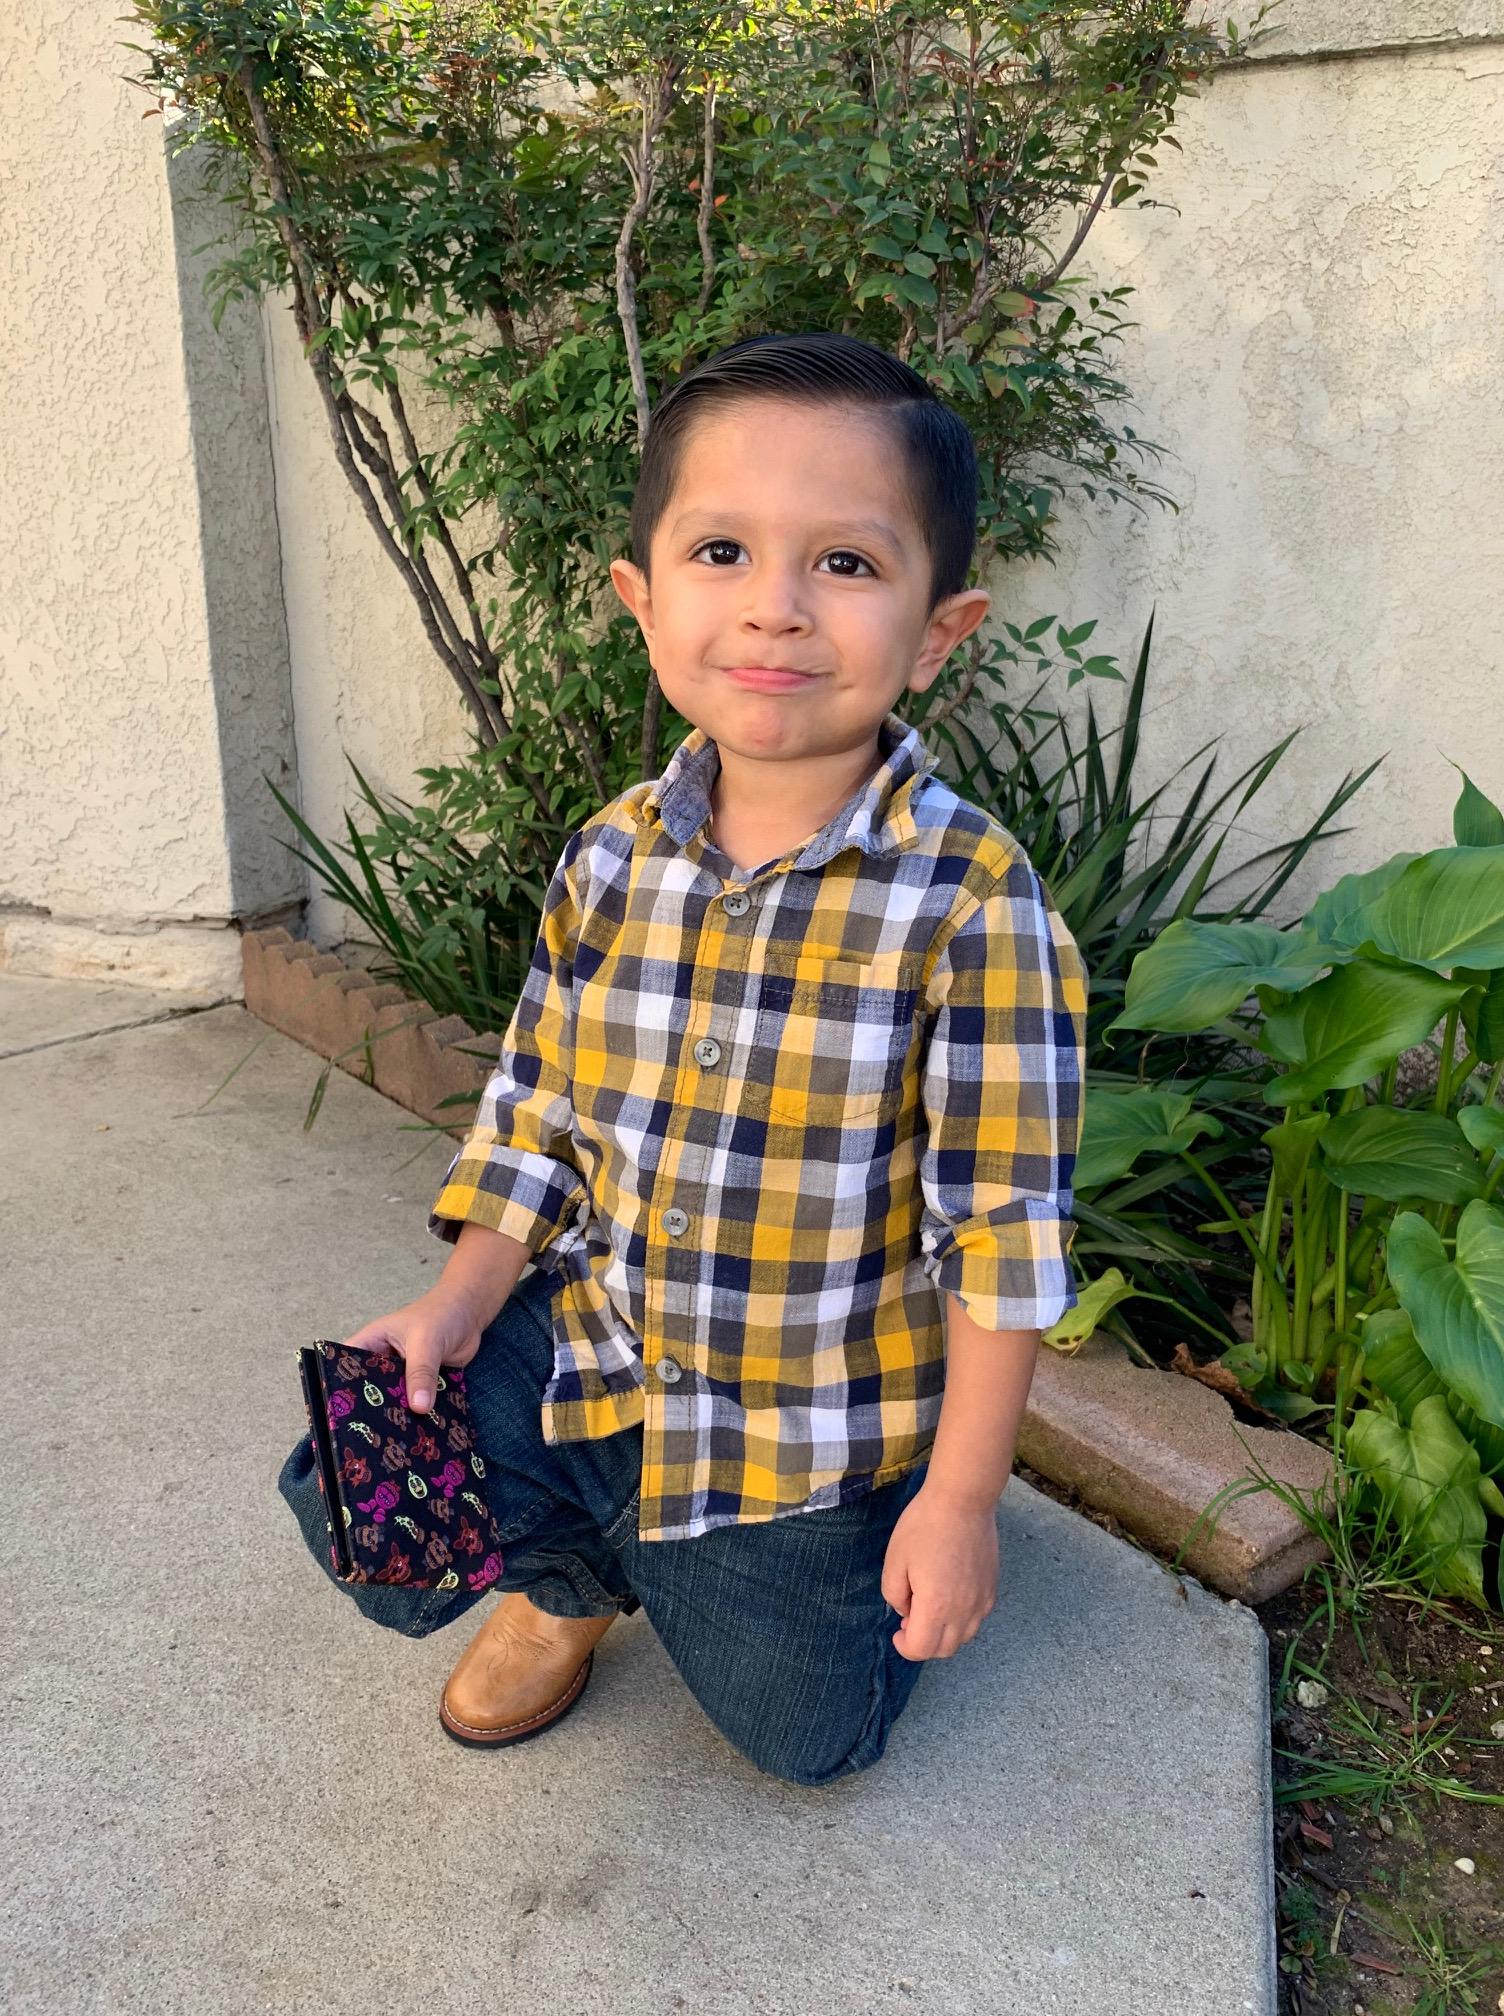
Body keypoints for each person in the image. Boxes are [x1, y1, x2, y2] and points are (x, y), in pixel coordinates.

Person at [278, 328, 1088, 1786]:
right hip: (601, 1346)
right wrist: (458, 1306)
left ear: (937, 630)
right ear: (643, 600)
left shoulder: (971, 902)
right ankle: (580, 1577)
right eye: (723, 551)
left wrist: (962, 1502)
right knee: (363, 1479)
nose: (777, 606)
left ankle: (855, 1527)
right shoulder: (609, 855)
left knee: (807, 1741)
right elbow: (538, 1111)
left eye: (846, 563)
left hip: (798, 1431)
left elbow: (1003, 1228)